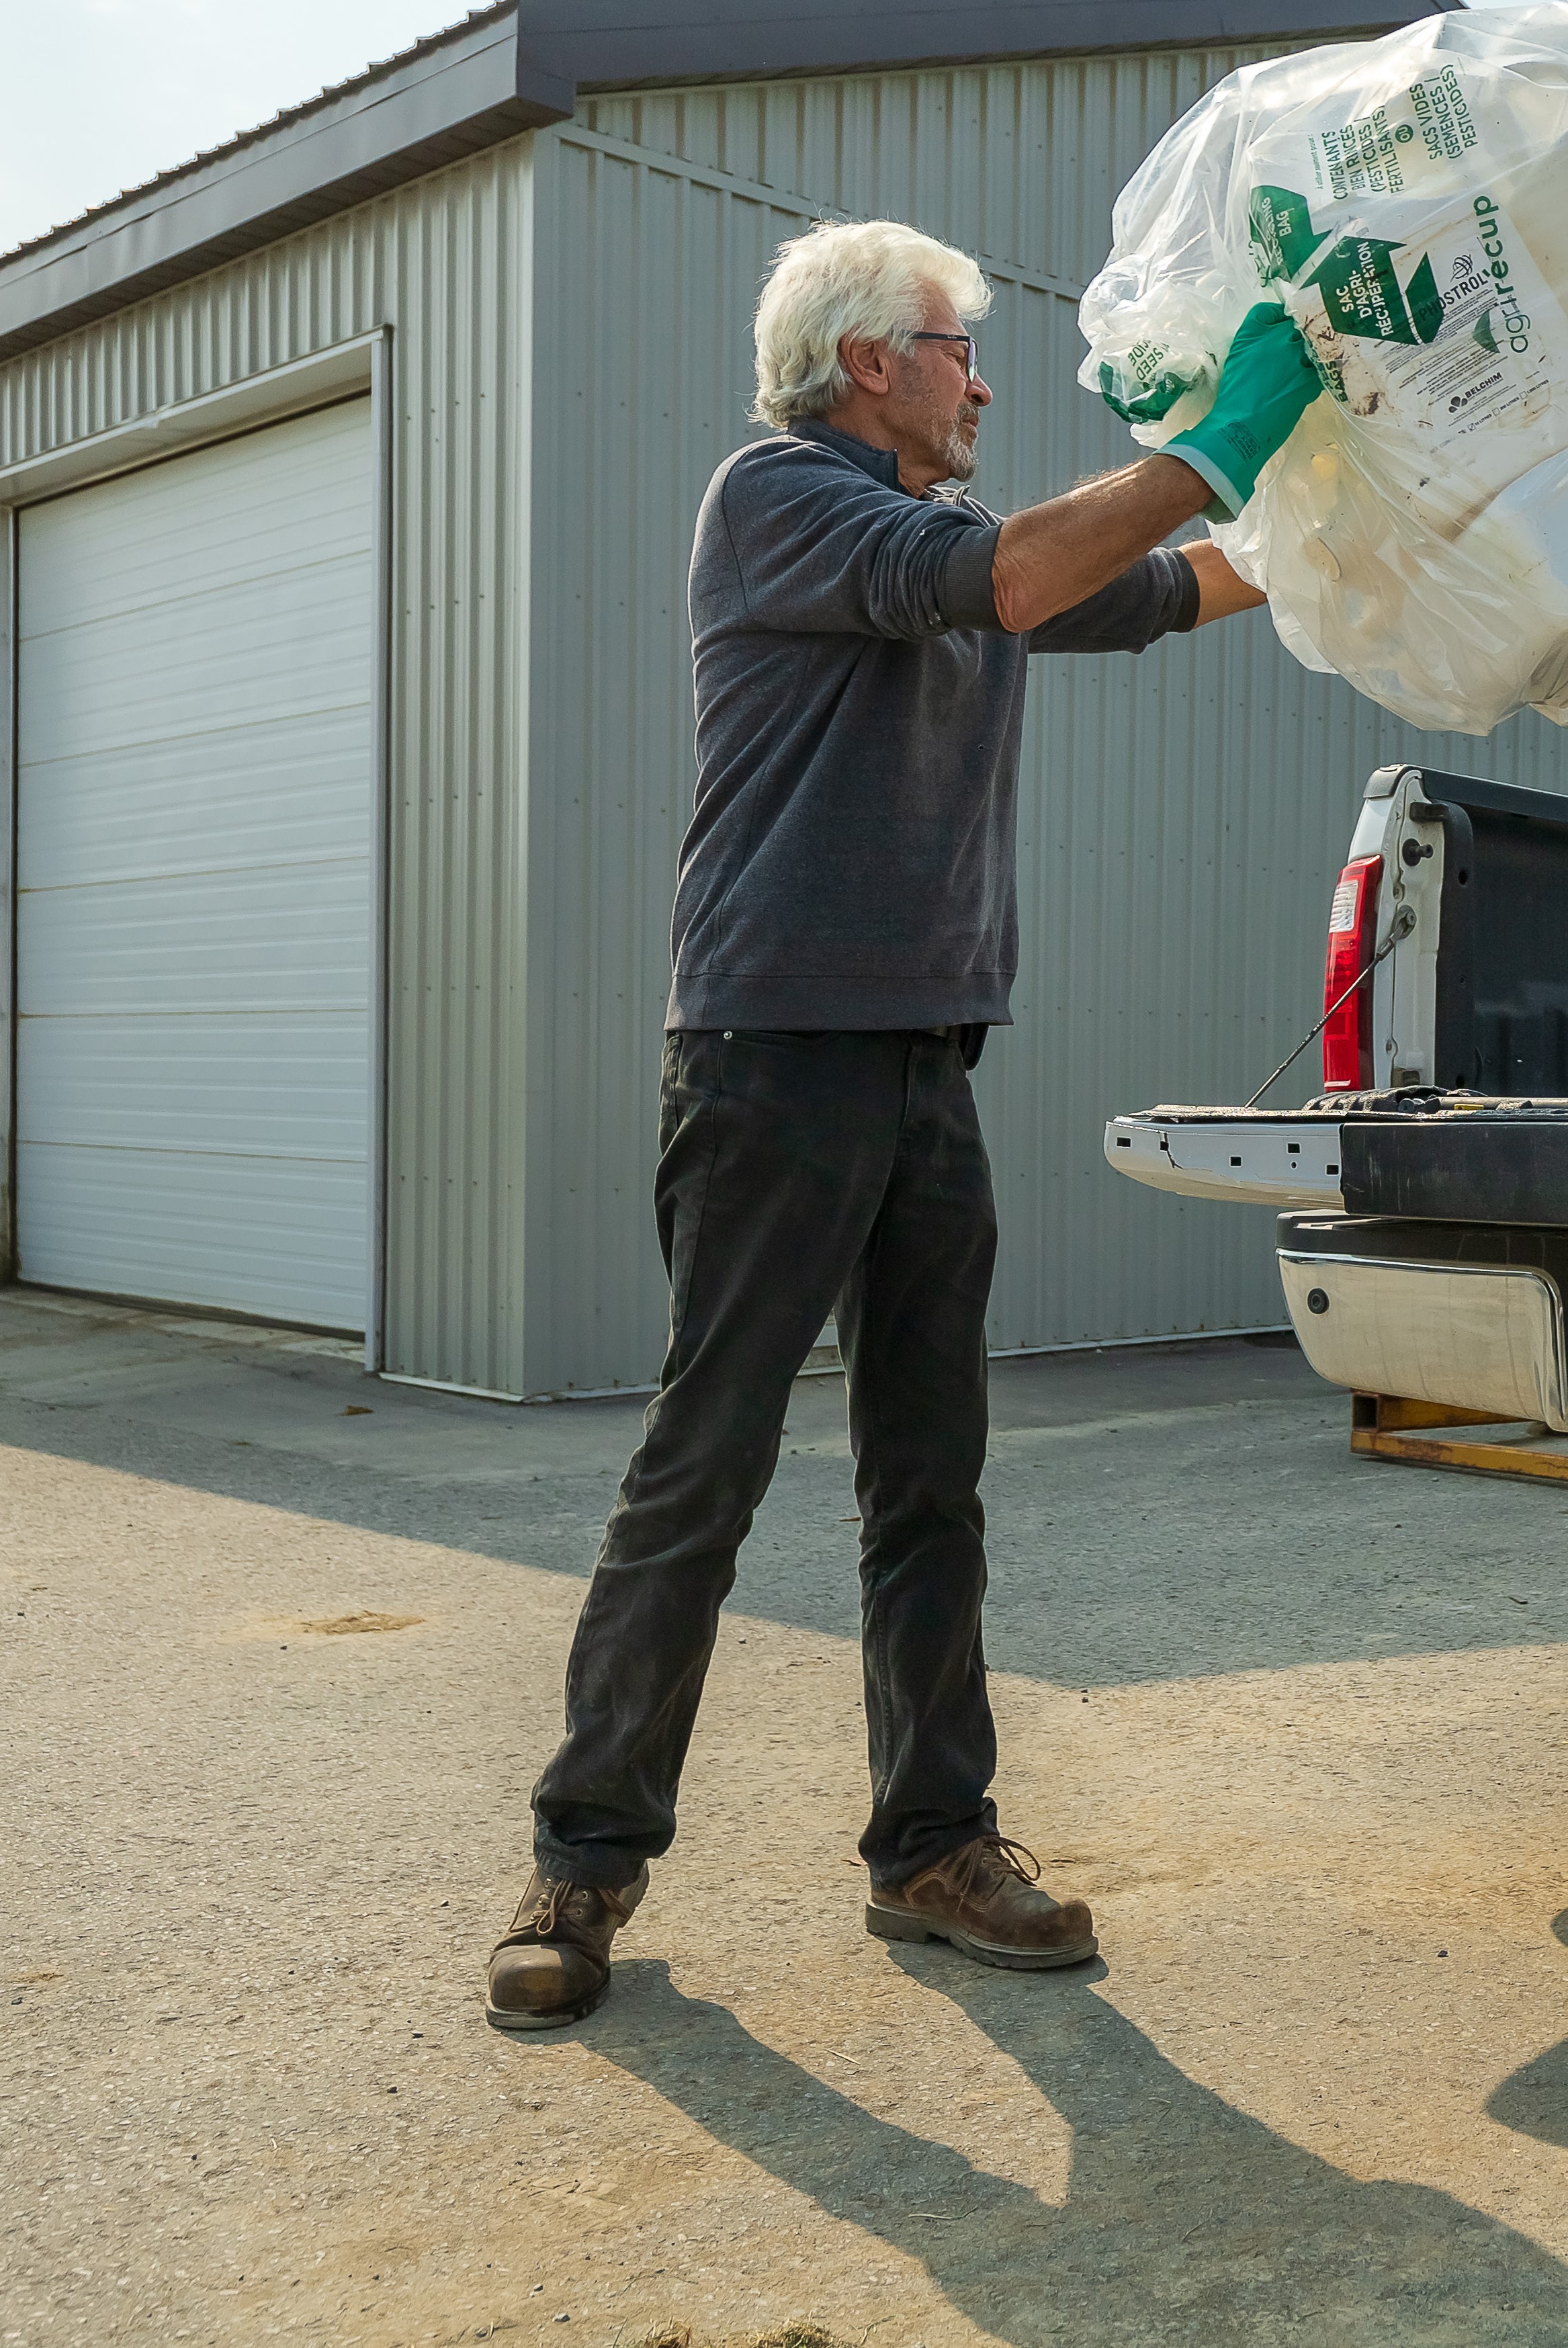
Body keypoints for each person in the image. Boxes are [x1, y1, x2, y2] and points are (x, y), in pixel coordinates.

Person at [482, 221, 1319, 2029]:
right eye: (958, 348)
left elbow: (1164, 589)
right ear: (869, 358)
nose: (982, 381)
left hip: (923, 1063)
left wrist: (1341, 529)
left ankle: (935, 1846)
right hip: (769, 1055)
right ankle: (581, 1862)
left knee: (928, 1478)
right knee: (701, 1471)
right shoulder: (776, 498)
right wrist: (1219, 439)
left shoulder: (954, 550)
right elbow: (1021, 577)